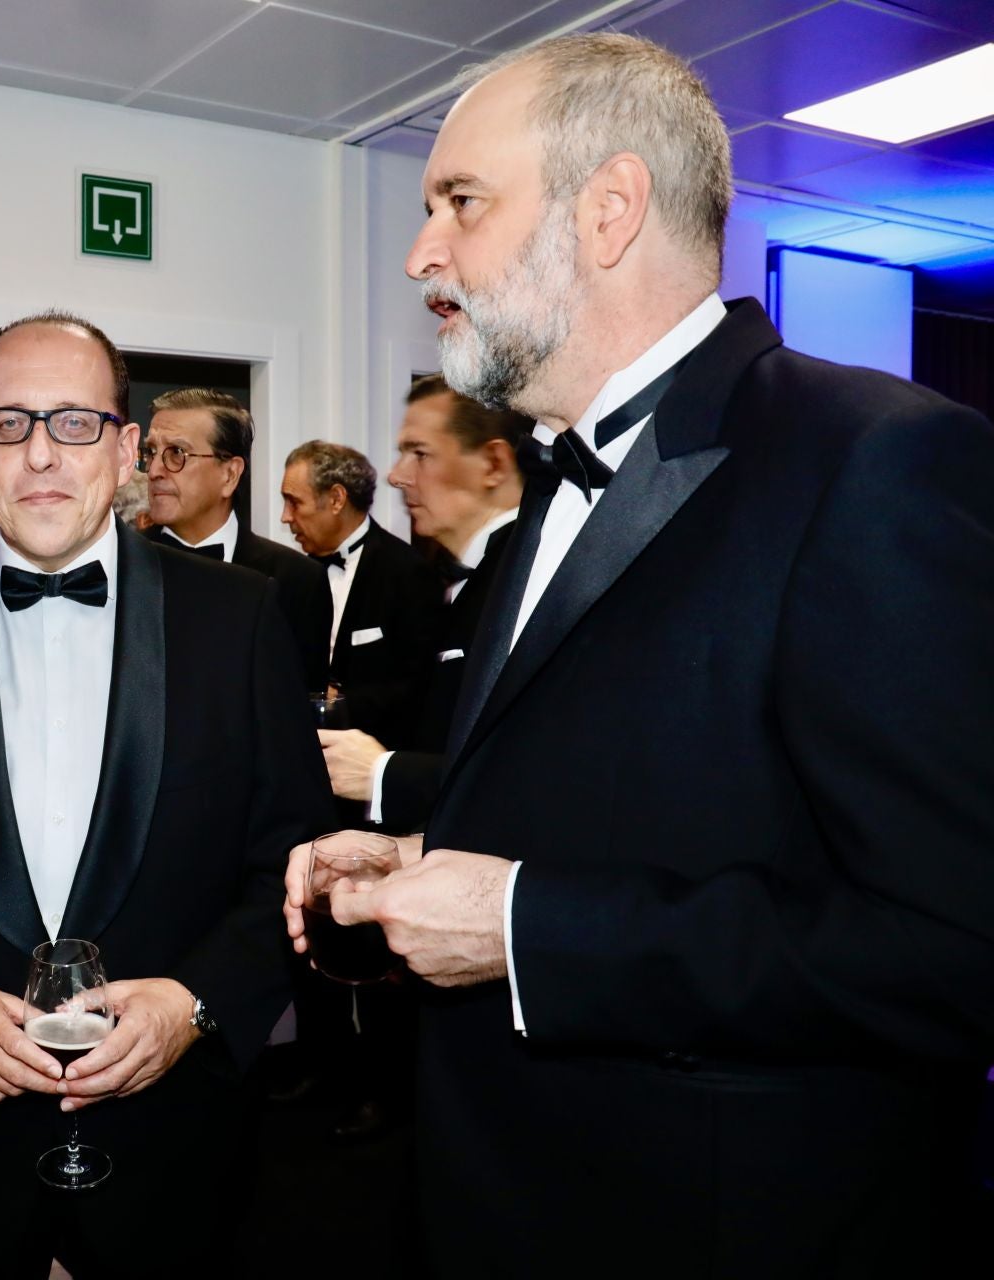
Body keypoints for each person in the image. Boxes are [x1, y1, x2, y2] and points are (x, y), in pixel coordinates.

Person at [286, 33, 994, 1275]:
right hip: (506, 1196)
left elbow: (949, 946)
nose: (421, 254)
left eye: (460, 202)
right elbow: (637, 797)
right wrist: (423, 855)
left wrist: (523, 926)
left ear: (607, 209)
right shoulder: (548, 490)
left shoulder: (874, 461)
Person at [0, 310, 333, 1277]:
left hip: (173, 1135)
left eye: (75, 423)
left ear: (127, 447)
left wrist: (193, 1002)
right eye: (7, 423)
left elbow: (292, 863)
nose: (40, 454)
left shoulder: (240, 619)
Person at [320, 374, 526, 833]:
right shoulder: (470, 578)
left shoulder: (527, 581)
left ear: (493, 463)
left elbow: (527, 773)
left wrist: (383, 774)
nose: (396, 476)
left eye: (420, 453)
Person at [143, 388, 331, 691]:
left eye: (177, 453)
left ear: (230, 474)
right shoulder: (120, 563)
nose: (153, 471)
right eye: (150, 452)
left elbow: (301, 710)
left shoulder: (296, 580)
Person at [279, 440, 442, 744]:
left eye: (294, 502)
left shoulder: (408, 573)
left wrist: (341, 706)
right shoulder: (292, 574)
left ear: (337, 499)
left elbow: (422, 685)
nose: (285, 517)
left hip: (374, 759)